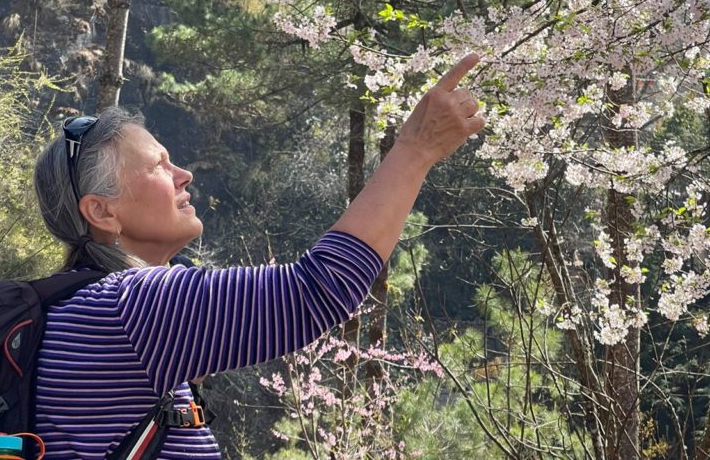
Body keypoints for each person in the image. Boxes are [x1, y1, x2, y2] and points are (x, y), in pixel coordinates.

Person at [32, 53, 484, 460]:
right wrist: (415, 150)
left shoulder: (79, 309)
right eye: (158, 166)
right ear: (102, 211)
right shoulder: (129, 308)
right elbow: (318, 289)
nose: (184, 175)